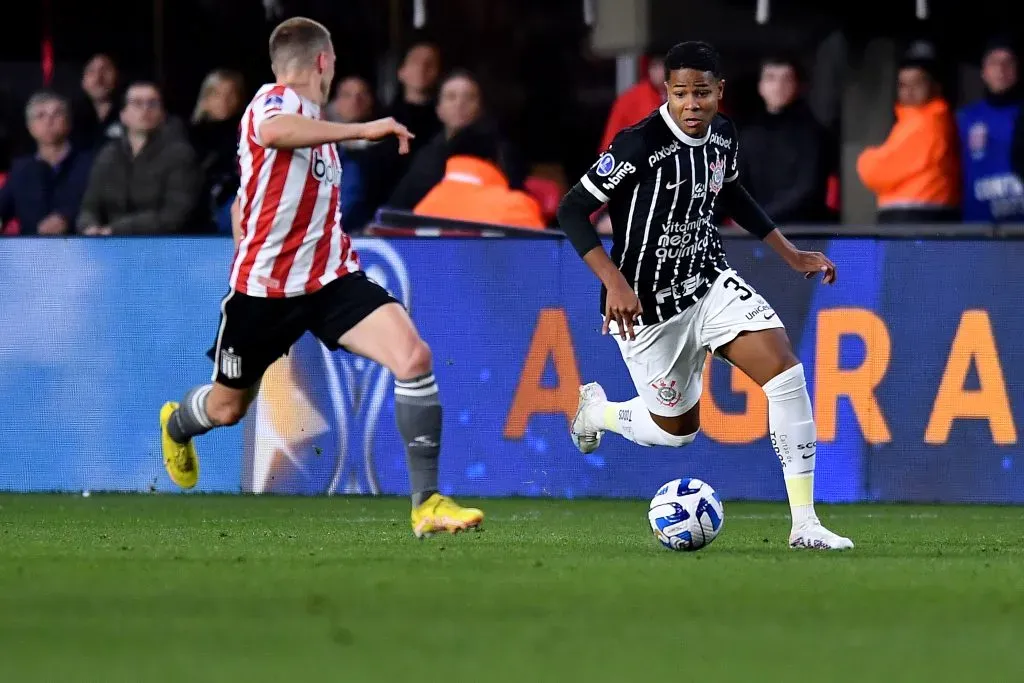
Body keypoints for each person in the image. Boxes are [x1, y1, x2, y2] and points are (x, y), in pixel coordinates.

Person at [159, 17, 483, 537]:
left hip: (332, 281)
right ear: (324, 63)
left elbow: (253, 192)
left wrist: (247, 216)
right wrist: (364, 128)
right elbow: (273, 131)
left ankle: (428, 504)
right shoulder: (274, 102)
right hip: (264, 293)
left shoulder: (316, 128)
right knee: (226, 409)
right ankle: (177, 423)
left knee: (414, 357)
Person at [557, 41, 852, 550]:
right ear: (665, 93)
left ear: (720, 91)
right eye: (680, 94)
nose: (692, 104)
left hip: (708, 281)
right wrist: (614, 282)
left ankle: (804, 524)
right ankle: (599, 412)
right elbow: (570, 209)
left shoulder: (723, 135)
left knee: (785, 373)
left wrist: (791, 253)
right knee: (675, 433)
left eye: (702, 93)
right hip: (646, 306)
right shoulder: (638, 144)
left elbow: (732, 193)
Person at [387, 70, 525, 210]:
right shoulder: (426, 156)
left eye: (469, 97)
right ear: (439, 109)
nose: (460, 104)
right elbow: (397, 207)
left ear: (480, 108)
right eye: (451, 97)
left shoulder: (500, 153)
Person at [76, 82, 198, 235]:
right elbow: (89, 207)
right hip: (110, 246)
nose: (145, 109)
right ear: (123, 114)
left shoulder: (180, 155)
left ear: (162, 114)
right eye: (137, 103)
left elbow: (174, 215)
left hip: (163, 246)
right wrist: (89, 227)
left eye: (153, 104)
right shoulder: (108, 155)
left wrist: (114, 230)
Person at [856, 57, 959, 223]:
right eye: (903, 85)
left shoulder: (932, 120)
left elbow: (875, 171)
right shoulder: (909, 121)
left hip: (920, 218)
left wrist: (866, 158)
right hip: (910, 217)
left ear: (935, 87)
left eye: (917, 83)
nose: (909, 91)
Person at [739, 55, 830, 224]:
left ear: (797, 86)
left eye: (786, 79)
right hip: (756, 237)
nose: (778, 87)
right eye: (771, 78)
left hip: (803, 233)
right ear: (761, 87)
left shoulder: (811, 133)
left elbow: (807, 188)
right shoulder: (748, 135)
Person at [0, 92, 92, 235]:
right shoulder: (21, 170)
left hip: (80, 249)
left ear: (69, 122)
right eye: (40, 115)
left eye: (57, 114)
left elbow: (103, 207)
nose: (49, 121)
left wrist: (67, 217)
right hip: (32, 253)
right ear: (30, 127)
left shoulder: (90, 164)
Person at [960, 39, 1024, 221]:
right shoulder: (965, 119)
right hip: (978, 232)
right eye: (994, 63)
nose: (1001, 69)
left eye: (1008, 62)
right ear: (983, 72)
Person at [189, 69, 247, 233]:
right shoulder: (188, 135)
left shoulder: (246, 133)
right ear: (205, 99)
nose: (224, 100)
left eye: (231, 94)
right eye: (216, 94)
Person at [599, 48, 667, 153]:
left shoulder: (679, 95)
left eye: (664, 66)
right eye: (656, 66)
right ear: (648, 69)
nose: (661, 72)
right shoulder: (632, 98)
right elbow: (608, 145)